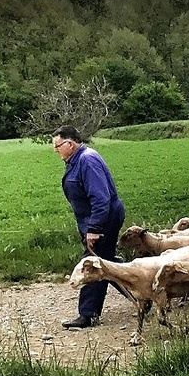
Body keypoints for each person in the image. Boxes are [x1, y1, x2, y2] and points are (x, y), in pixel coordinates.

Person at [53, 124, 126, 329]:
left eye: (58, 146)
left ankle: (88, 314)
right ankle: (141, 293)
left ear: (70, 144)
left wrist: (94, 228)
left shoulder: (87, 160)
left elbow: (101, 199)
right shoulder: (75, 161)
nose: (56, 150)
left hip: (103, 220)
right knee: (106, 263)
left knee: (92, 265)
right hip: (93, 220)